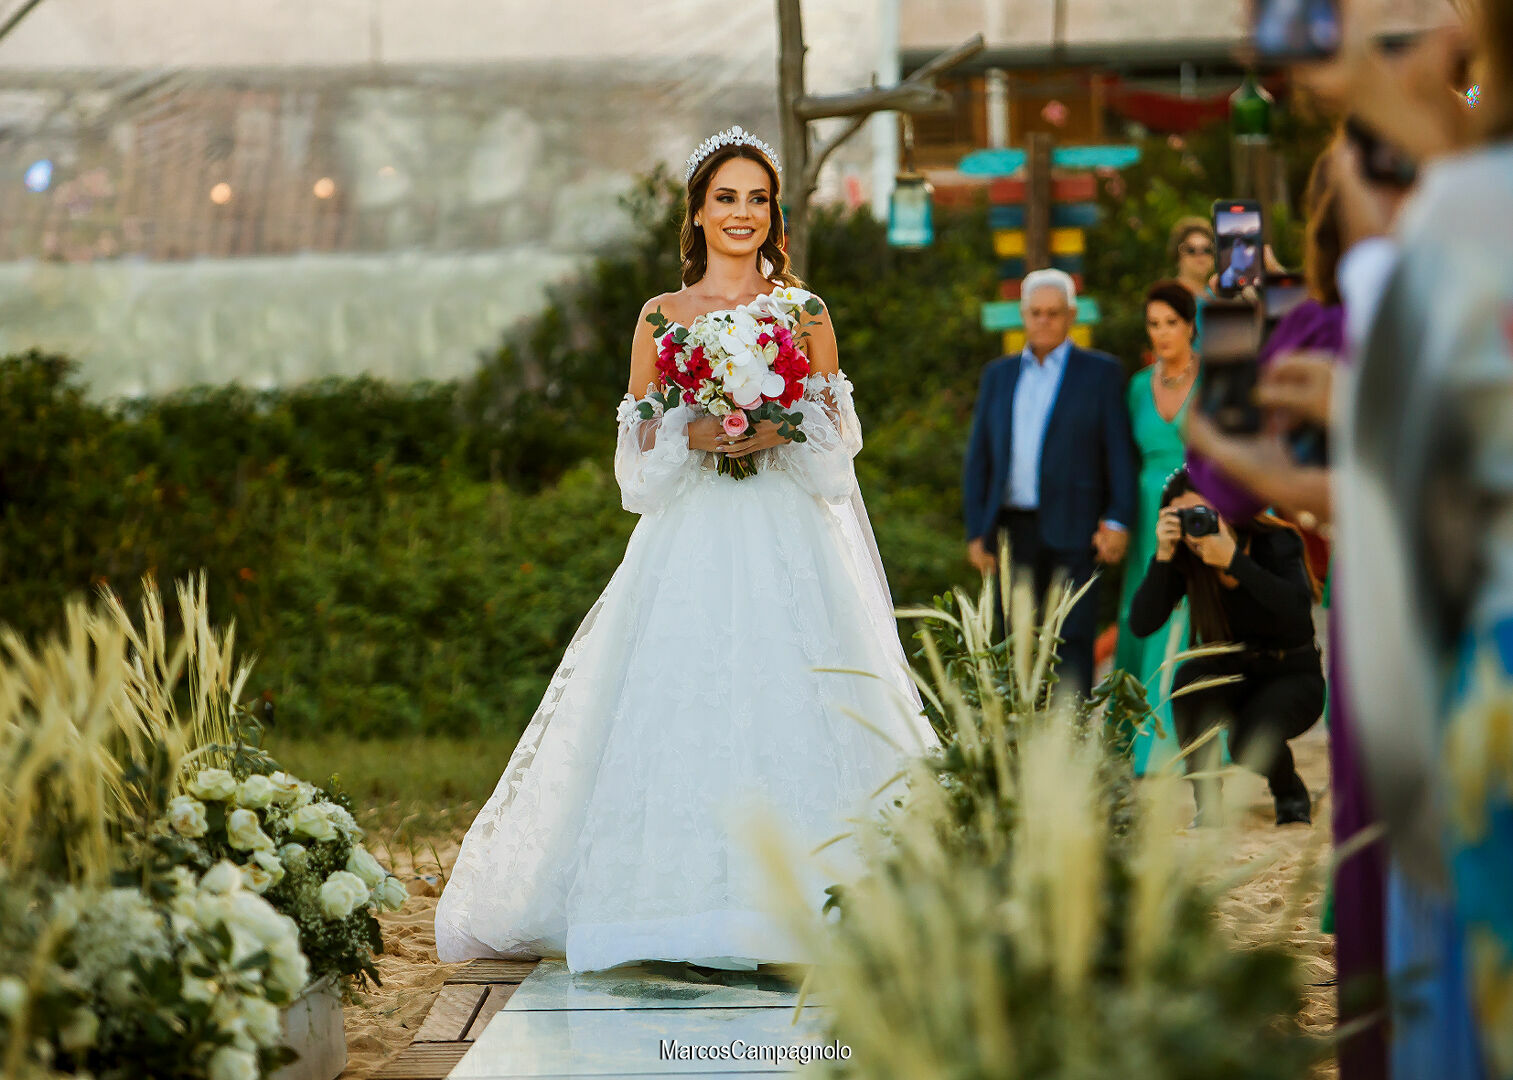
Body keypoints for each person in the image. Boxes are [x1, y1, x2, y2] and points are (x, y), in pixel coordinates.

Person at [434, 127, 939, 974]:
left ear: (773, 214)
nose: (741, 214)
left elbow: (835, 452)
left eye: (756, 199)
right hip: (693, 541)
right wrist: (697, 433)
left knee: (801, 694)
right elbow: (637, 472)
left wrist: (769, 426)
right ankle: (674, 907)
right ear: (697, 214)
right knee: (684, 700)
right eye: (724, 198)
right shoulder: (659, 319)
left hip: (788, 533)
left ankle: (822, 905)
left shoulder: (804, 313)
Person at [962, 268, 1137, 697]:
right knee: (1012, 637)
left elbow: (1119, 452)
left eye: (1053, 313)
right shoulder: (998, 375)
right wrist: (976, 530)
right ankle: (1020, 742)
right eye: (1036, 312)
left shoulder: (1100, 373)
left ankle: (1070, 742)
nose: (1043, 321)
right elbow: (979, 457)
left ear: (1070, 315)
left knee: (1073, 639)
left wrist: (1117, 519)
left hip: (1076, 527)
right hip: (1011, 529)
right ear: (1023, 314)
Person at [1127, 467, 1324, 826]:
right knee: (1189, 678)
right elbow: (1141, 624)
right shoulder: (1187, 557)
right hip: (1234, 673)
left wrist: (1235, 562)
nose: (1195, 527)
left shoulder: (1276, 541)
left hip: (1292, 673)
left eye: (1203, 514)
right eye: (1183, 518)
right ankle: (1208, 806)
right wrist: (1164, 555)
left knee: (1249, 741)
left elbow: (1297, 611)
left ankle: (1289, 792)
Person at [1112, 281, 1200, 775]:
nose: (1163, 333)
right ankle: (1142, 740)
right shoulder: (1136, 386)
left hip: (1200, 503)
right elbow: (1122, 459)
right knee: (1145, 610)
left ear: (1190, 325)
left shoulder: (1213, 379)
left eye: (1172, 322)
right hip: (1149, 513)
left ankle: (1196, 737)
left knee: (1194, 614)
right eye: (1154, 324)